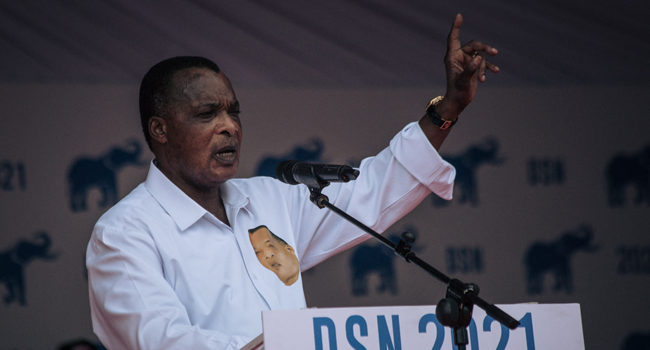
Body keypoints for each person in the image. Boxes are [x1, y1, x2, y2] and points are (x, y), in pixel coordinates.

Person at [86, 14, 498, 350]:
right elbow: (163, 342)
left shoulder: (267, 200)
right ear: (159, 129)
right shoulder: (124, 234)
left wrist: (448, 108)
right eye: (207, 113)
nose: (229, 126)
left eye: (234, 111)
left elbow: (374, 189)